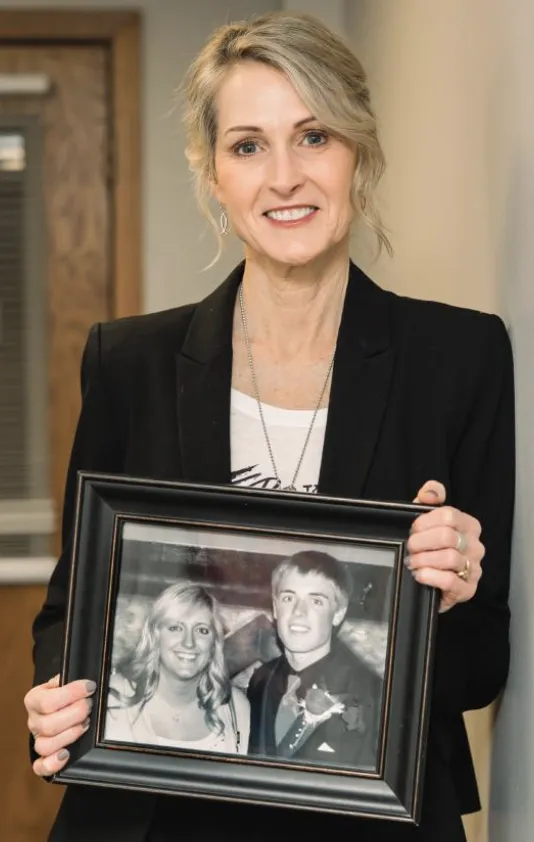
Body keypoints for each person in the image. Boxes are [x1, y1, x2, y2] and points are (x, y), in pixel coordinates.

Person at [23, 10, 515, 842]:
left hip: (370, 818)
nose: (284, 176)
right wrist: (55, 692)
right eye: (248, 145)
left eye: (314, 136)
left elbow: (478, 672)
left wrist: (452, 596)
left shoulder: (459, 357)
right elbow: (77, 607)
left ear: (359, 152)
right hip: (158, 814)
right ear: (213, 172)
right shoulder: (128, 361)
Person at [247, 550, 382, 768]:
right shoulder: (260, 681)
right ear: (275, 607)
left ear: (338, 613)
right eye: (288, 598)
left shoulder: (373, 693)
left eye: (316, 601)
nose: (298, 612)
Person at [104, 582, 249, 755]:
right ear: (155, 636)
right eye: (175, 628)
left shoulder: (236, 706)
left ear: (214, 643)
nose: (189, 642)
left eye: (202, 630)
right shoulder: (112, 697)